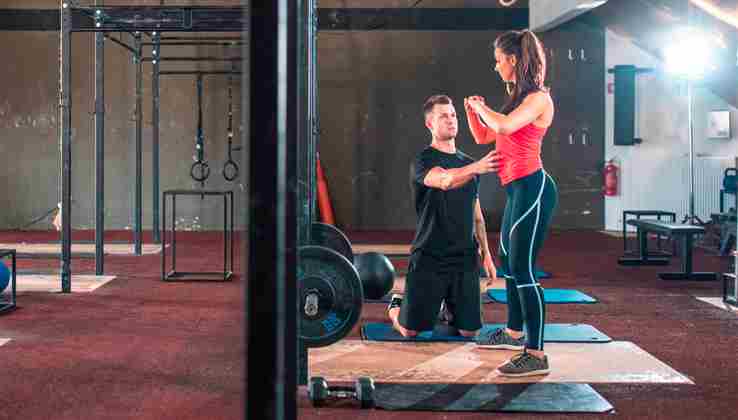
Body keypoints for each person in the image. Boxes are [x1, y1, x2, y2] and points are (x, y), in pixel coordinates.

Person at [464, 29, 558, 377]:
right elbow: (484, 135)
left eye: (499, 60)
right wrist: (473, 112)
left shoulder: (538, 99)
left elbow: (502, 127)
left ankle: (535, 354)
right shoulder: (518, 99)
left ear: (514, 60)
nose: (496, 66)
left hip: (534, 188)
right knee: (509, 261)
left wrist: (482, 107)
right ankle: (515, 332)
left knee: (523, 270)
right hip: (517, 189)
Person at [387, 94, 500, 339]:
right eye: (443, 116)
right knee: (410, 331)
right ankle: (397, 306)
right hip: (430, 255)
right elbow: (445, 180)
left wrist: (487, 255)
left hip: (464, 258)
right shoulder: (423, 161)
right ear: (430, 124)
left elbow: (477, 217)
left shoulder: (467, 162)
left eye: (453, 115)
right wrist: (477, 168)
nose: (451, 120)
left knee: (469, 332)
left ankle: (447, 306)